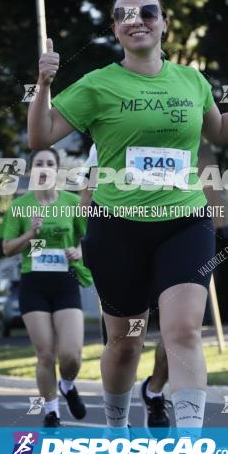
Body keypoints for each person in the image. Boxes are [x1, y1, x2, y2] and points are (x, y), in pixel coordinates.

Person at [28, 0, 228, 454]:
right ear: (115, 30)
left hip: (184, 221)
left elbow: (216, 130)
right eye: (125, 14)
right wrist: (43, 86)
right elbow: (41, 136)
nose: (137, 19)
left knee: (183, 332)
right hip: (116, 227)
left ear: (164, 22)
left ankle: (190, 450)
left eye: (148, 11)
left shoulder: (191, 81)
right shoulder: (98, 84)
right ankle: (116, 442)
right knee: (125, 343)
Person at [0, 148, 92, 427]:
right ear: (31, 170)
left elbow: (89, 240)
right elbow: (6, 248)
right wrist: (29, 234)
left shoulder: (72, 203)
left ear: (57, 169)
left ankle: (68, 384)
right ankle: (52, 411)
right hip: (33, 284)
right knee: (45, 354)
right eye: (39, 163)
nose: (44, 167)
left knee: (71, 355)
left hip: (65, 282)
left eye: (49, 163)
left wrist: (78, 250)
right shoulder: (19, 206)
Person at [82, 144, 171, 434]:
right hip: (123, 250)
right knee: (128, 341)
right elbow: (88, 195)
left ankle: (154, 391)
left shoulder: (178, 120)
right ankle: (119, 419)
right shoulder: (107, 136)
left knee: (179, 332)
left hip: (170, 242)